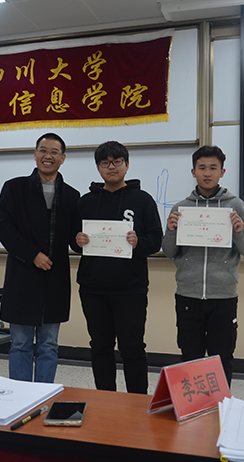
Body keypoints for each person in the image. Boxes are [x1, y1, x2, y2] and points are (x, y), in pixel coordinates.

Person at [162, 146, 244, 386]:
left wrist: (239, 231)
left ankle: (221, 405)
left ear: (222, 172)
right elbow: (169, 252)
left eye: (213, 168)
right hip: (188, 295)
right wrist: (171, 230)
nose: (207, 173)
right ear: (193, 172)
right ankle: (191, 404)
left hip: (223, 297)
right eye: (201, 167)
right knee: (189, 357)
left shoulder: (235, 205)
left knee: (222, 358)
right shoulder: (181, 208)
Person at [73, 141, 162, 394]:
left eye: (117, 161)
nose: (111, 167)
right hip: (93, 289)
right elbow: (73, 240)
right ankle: (105, 400)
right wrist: (77, 240)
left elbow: (156, 239)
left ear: (127, 164)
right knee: (100, 347)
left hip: (130, 289)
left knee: (132, 348)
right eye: (105, 163)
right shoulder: (86, 202)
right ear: (98, 167)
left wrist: (138, 242)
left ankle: (137, 402)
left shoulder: (143, 200)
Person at [0, 133, 79, 383]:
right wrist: (32, 255)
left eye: (54, 152)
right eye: (43, 150)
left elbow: (74, 239)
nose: (48, 156)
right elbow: (4, 228)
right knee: (20, 344)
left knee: (49, 345)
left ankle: (44, 395)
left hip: (55, 280)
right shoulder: (14, 188)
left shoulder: (73, 196)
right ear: (35, 155)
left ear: (63, 158)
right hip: (22, 277)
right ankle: (20, 397)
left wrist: (83, 240)